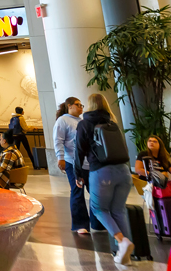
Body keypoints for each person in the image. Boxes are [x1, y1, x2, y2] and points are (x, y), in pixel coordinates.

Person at [75, 93, 135, 266]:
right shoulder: (112, 124)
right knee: (118, 210)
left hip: (101, 172)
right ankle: (124, 254)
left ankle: (122, 242)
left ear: (89, 105)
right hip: (123, 171)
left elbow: (79, 150)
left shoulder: (84, 124)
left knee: (99, 208)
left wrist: (78, 174)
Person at [52, 96, 102, 236]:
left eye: (82, 105)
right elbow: (58, 140)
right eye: (78, 105)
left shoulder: (82, 121)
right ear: (69, 106)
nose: (81, 107)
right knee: (77, 191)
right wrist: (60, 158)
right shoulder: (63, 120)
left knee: (95, 191)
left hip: (87, 162)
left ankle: (97, 222)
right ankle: (80, 224)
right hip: (72, 161)